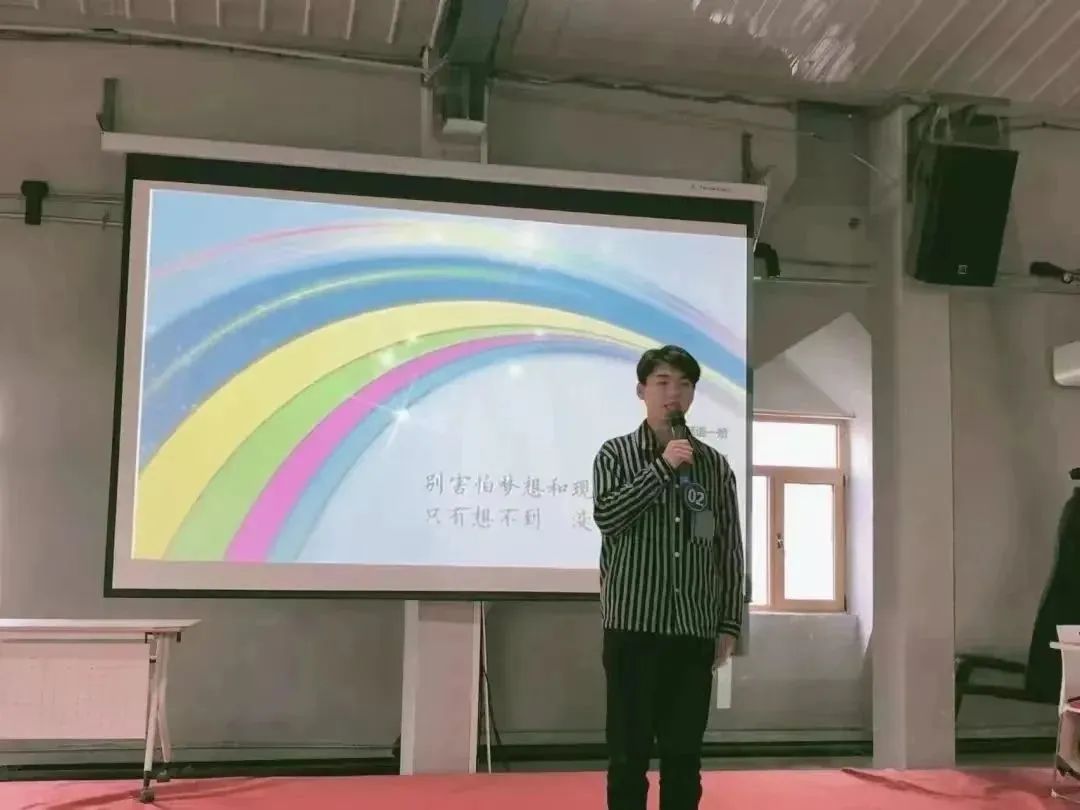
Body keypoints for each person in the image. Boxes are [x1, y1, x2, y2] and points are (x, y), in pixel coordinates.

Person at [592, 345, 745, 810]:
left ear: (693, 394)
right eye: (662, 382)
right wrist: (662, 468)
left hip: (692, 631)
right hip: (633, 628)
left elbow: (727, 548)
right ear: (641, 391)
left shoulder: (714, 466)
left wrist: (729, 623)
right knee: (628, 756)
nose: (672, 393)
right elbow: (608, 516)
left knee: (684, 757)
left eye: (683, 384)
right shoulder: (615, 454)